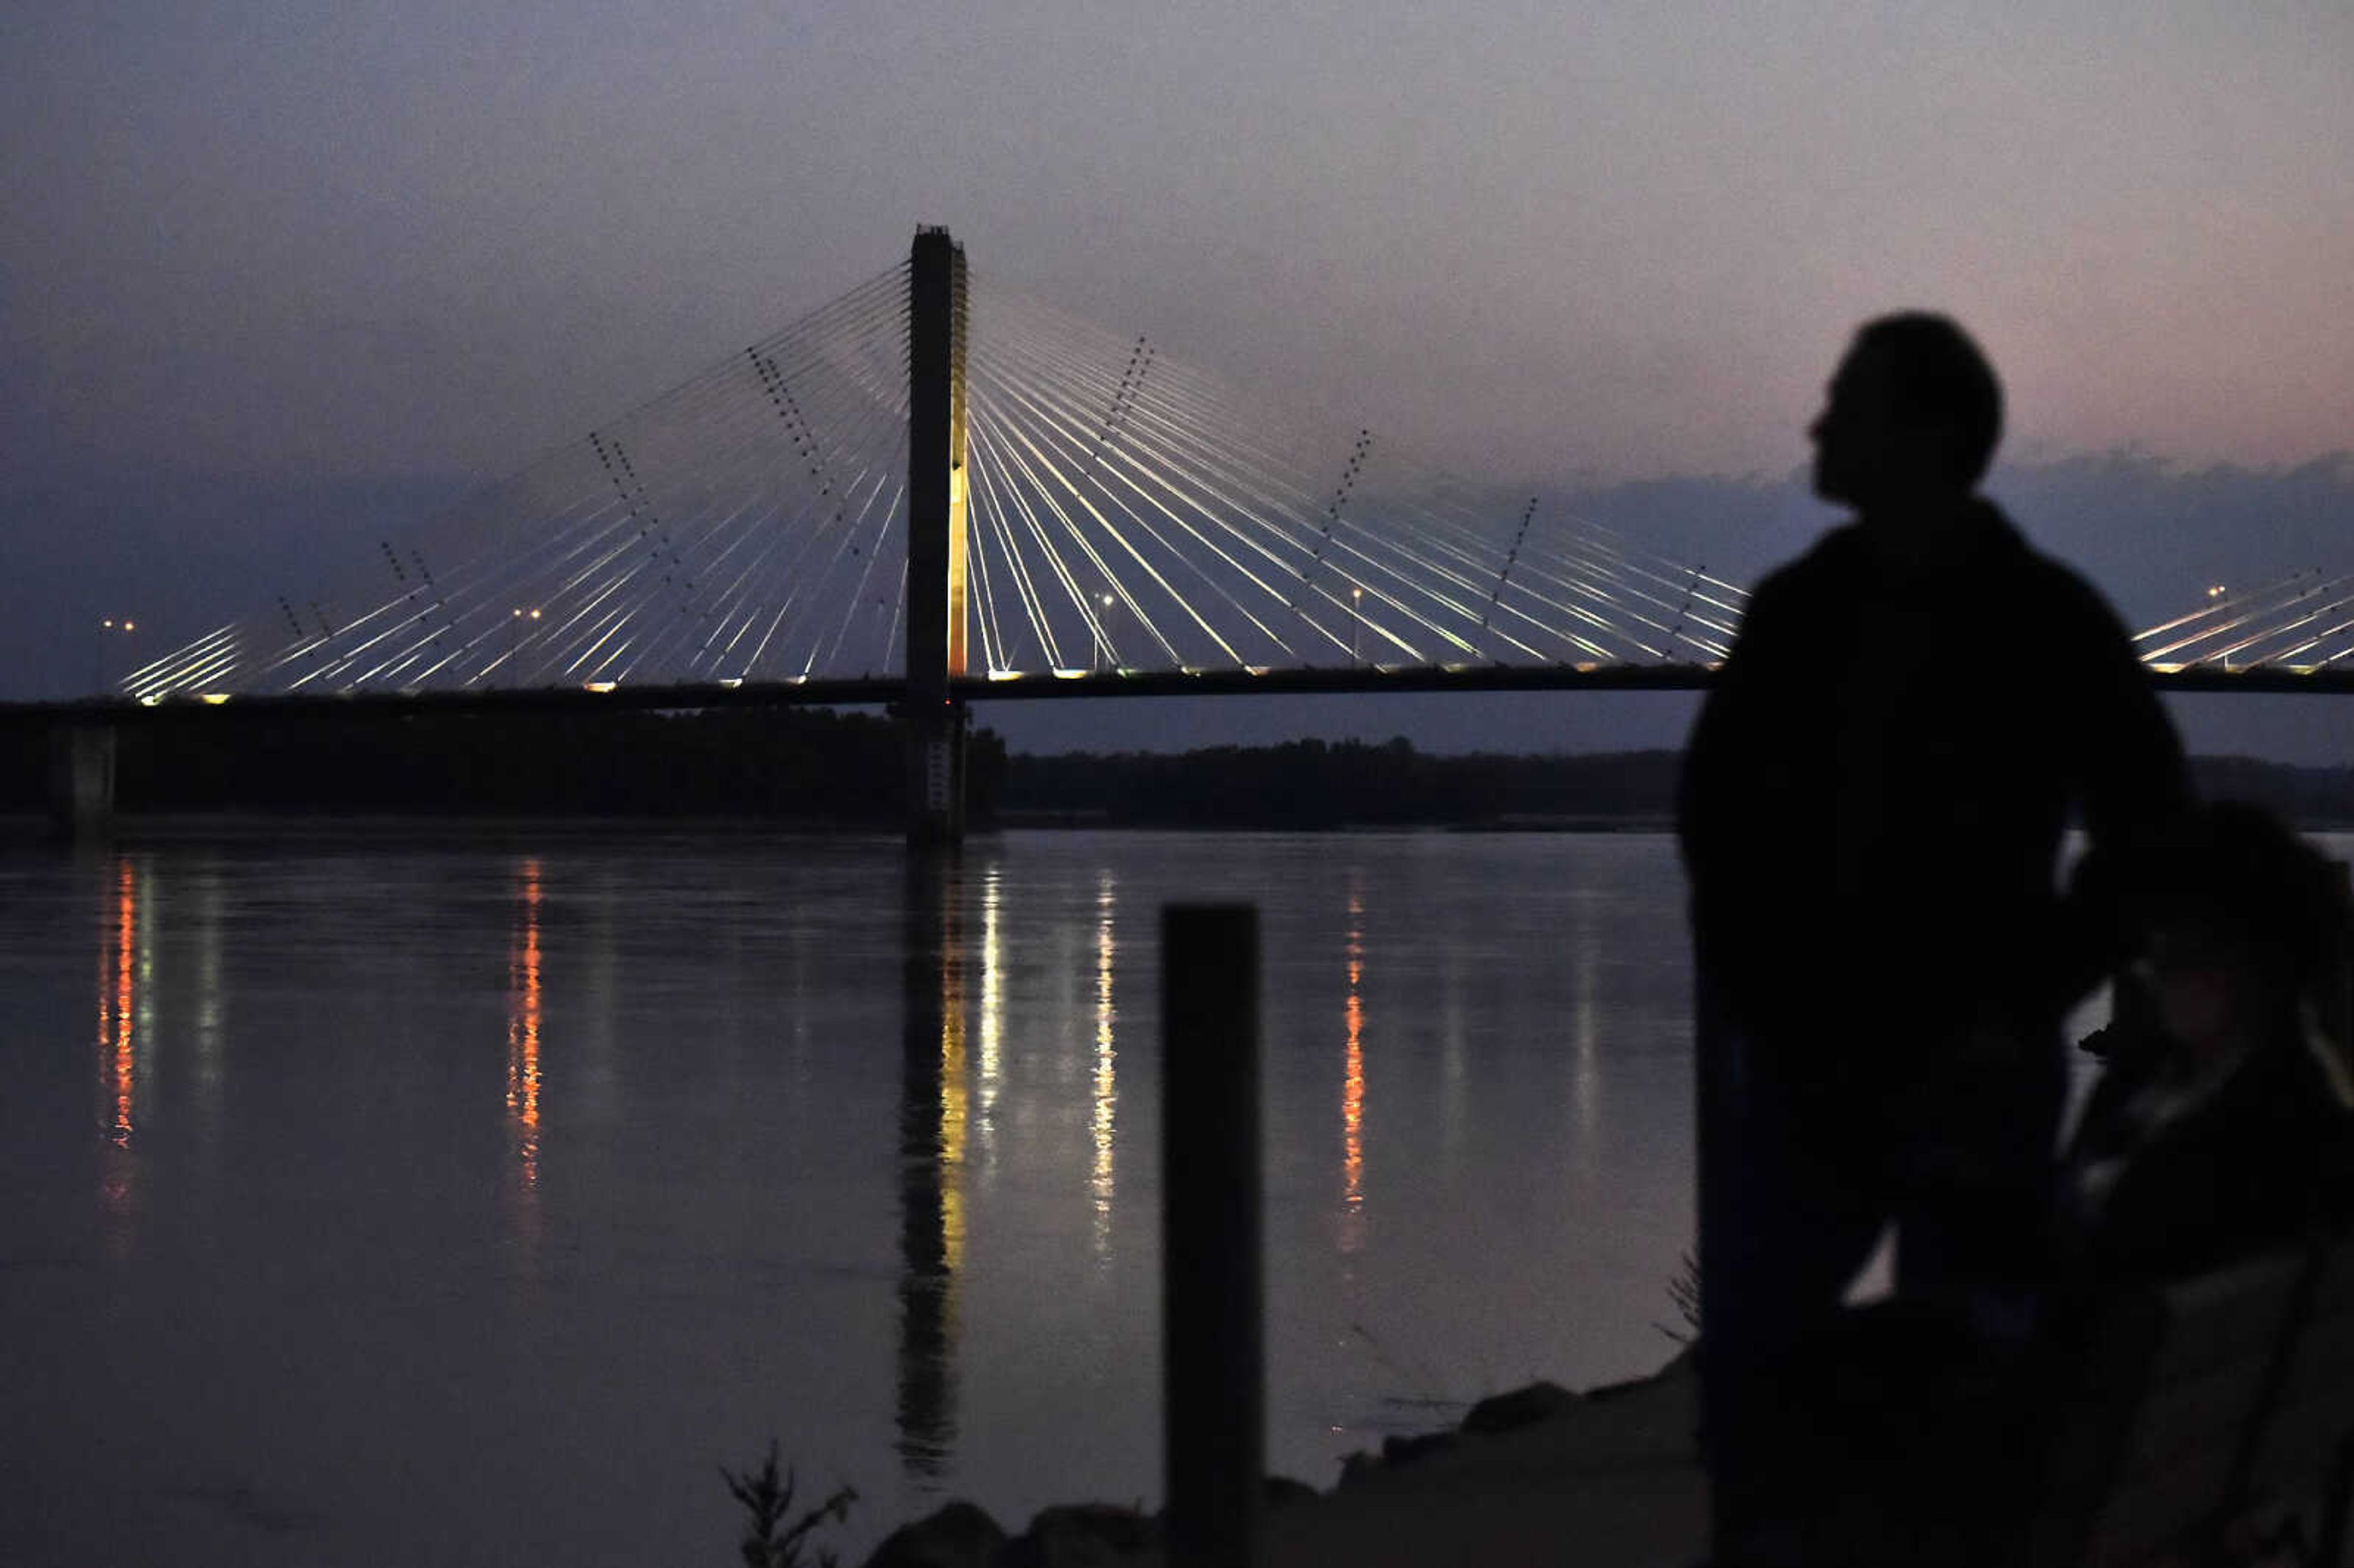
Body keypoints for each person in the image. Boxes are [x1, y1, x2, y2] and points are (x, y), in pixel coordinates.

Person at [1677, 312, 2188, 1565]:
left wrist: (2018, 994)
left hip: (1910, 1071)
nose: (1815, 425)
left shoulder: (1926, 615)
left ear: (1924, 434)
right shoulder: (1994, 612)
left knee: (1863, 1375)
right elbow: (1721, 821)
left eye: (1844, 401)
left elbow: (2148, 833)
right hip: (1880, 1064)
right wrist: (2030, 990)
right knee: (1847, 1375)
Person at [2060, 801, 2354, 1284]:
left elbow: (2101, 1269)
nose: (2152, 975)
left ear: (2246, 969)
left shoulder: (2244, 1142)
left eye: (2172, 957)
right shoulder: (2303, 1112)